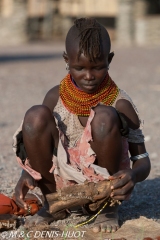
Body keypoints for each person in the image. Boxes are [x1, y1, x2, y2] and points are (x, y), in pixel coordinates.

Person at [13, 18, 151, 233]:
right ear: (66, 60)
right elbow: (36, 142)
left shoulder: (121, 103)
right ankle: (53, 205)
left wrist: (132, 176)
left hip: (105, 190)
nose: (88, 76)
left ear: (110, 59)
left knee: (104, 116)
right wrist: (27, 174)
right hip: (60, 189)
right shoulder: (55, 96)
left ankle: (106, 209)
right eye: (79, 67)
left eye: (97, 67)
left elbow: (142, 162)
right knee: (35, 116)